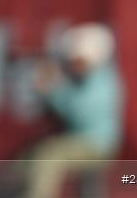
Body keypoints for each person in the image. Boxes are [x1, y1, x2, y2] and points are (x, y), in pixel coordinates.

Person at [21, 23, 124, 198]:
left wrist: (53, 90)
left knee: (50, 155)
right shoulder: (86, 77)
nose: (72, 63)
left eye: (77, 59)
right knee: (27, 159)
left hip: (97, 146)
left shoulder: (103, 82)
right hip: (86, 143)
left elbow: (80, 113)